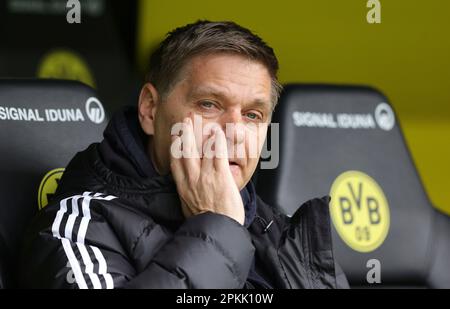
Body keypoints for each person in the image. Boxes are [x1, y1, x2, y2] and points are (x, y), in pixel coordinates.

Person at [18, 21, 348, 289]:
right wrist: (219, 229)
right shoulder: (77, 228)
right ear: (149, 109)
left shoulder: (279, 229)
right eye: (209, 105)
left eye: (252, 115)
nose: (233, 132)